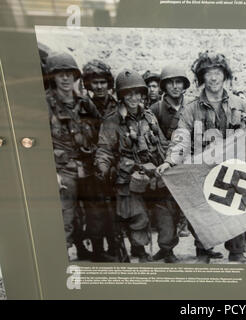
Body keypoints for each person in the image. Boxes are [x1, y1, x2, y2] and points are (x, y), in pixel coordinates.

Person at [156, 51, 246, 264]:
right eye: (209, 74)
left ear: (224, 75)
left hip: (232, 166)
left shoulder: (239, 104)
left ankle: (237, 250)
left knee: (235, 206)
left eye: (218, 73)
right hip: (202, 168)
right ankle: (203, 250)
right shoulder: (191, 109)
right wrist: (170, 161)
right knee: (201, 210)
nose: (214, 78)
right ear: (202, 78)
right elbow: (180, 137)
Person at [95, 69, 168, 263]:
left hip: (152, 172)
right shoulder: (112, 120)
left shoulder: (150, 117)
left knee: (163, 212)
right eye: (128, 93)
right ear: (121, 95)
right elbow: (104, 149)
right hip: (128, 175)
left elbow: (162, 144)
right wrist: (103, 168)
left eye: (137, 93)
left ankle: (166, 249)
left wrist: (168, 162)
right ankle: (140, 251)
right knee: (137, 216)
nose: (134, 98)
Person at [46, 52, 100, 260]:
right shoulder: (45, 103)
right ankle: (61, 257)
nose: (66, 78)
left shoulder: (85, 103)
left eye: (69, 74)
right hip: (61, 168)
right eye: (60, 74)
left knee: (92, 212)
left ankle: (89, 249)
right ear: (53, 77)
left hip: (86, 167)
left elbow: (100, 131)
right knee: (65, 214)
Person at [147, 65, 192, 262]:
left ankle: (204, 248)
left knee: (194, 209)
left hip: (189, 165)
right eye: (171, 82)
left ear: (184, 85)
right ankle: (166, 249)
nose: (175, 86)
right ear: (164, 86)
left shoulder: (192, 106)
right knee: (165, 210)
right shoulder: (155, 109)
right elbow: (150, 138)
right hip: (165, 166)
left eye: (179, 82)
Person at [82, 59, 119, 262]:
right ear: (89, 84)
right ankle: (97, 250)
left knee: (112, 208)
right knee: (94, 210)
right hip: (89, 166)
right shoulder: (82, 106)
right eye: (94, 83)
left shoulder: (116, 105)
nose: (99, 86)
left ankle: (114, 246)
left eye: (103, 82)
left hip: (112, 164)